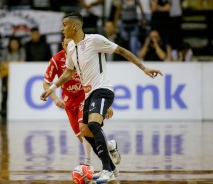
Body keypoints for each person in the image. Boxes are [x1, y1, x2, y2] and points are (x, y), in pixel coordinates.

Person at [40, 12, 163, 183]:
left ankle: (107, 169)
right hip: (89, 93)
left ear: (74, 26)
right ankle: (111, 167)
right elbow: (68, 72)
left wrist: (144, 68)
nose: (62, 29)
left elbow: (121, 50)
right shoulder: (70, 48)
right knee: (85, 131)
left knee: (93, 124)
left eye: (64, 25)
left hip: (102, 89)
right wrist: (52, 88)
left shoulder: (94, 40)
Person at [43, 37, 121, 167]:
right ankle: (110, 146)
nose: (69, 47)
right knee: (84, 136)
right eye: (67, 45)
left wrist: (106, 104)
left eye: (71, 45)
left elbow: (99, 81)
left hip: (86, 98)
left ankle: (88, 164)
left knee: (84, 129)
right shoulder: (56, 60)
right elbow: (46, 84)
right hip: (69, 103)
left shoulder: (82, 56)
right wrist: (56, 99)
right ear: (62, 45)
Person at [0, 36, 25, 120]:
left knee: (17, 94)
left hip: (18, 78)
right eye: (12, 43)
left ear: (18, 44)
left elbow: (22, 62)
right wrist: (14, 65)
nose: (14, 45)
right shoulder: (5, 51)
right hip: (6, 77)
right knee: (5, 94)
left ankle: (17, 112)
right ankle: (4, 113)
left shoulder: (21, 51)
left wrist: (10, 64)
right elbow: (2, 62)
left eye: (15, 43)